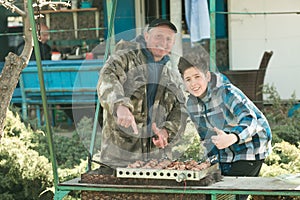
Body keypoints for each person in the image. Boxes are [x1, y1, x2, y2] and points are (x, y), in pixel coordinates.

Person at [97, 19, 188, 168]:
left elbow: (181, 108)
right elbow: (107, 77)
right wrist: (119, 105)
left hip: (156, 160)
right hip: (119, 157)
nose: (163, 42)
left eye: (168, 39)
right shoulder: (125, 56)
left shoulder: (172, 73)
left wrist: (167, 131)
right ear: (146, 36)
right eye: (158, 36)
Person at [177, 46, 272, 178]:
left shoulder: (226, 92)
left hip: (250, 148)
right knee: (218, 188)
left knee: (235, 192)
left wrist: (232, 137)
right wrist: (208, 162)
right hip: (225, 153)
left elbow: (251, 121)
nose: (193, 83)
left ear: (208, 76)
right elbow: (207, 138)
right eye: (188, 79)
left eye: (197, 76)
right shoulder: (191, 105)